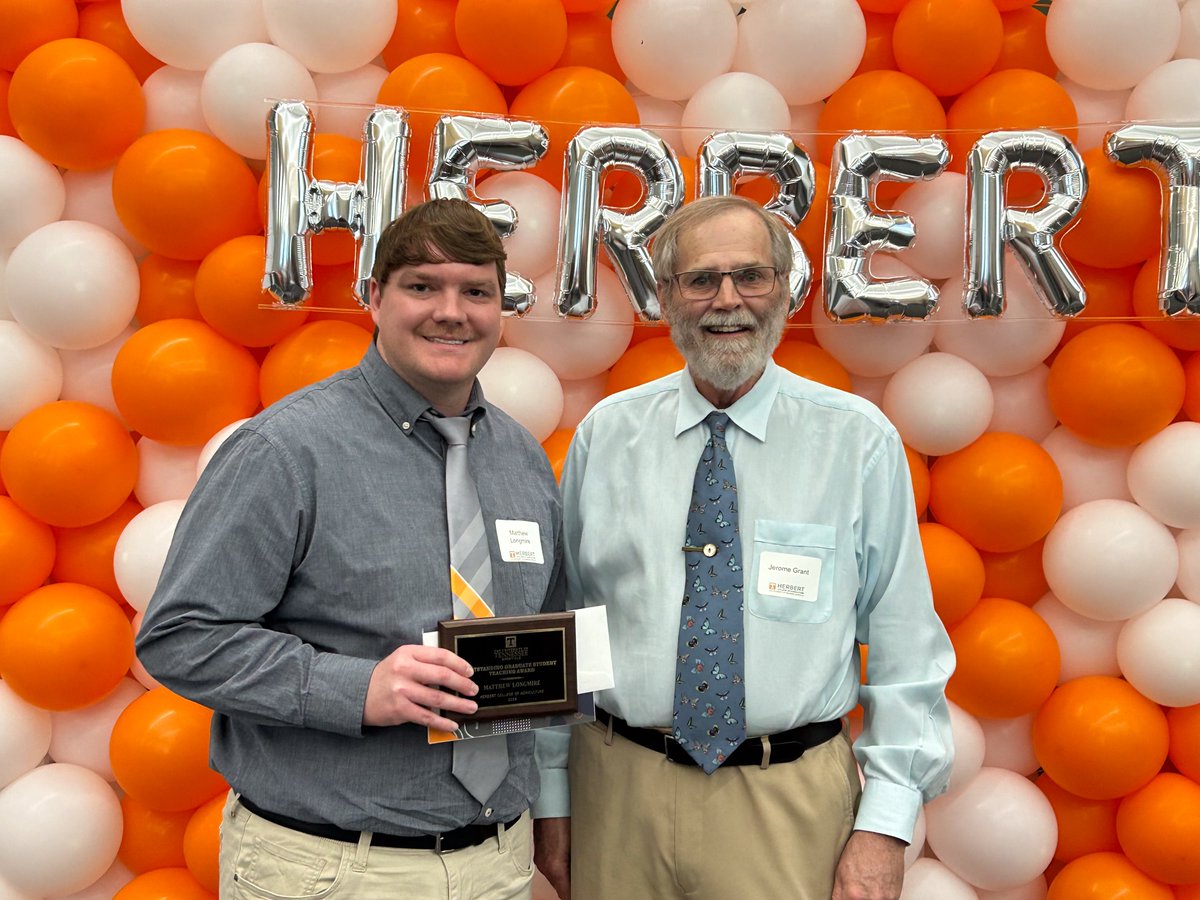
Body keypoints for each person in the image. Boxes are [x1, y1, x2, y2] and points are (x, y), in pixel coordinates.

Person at [137, 198, 565, 899]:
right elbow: (180, 637)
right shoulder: (284, 450)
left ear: (499, 309)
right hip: (330, 870)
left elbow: (544, 636)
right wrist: (357, 689)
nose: (451, 311)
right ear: (374, 297)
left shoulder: (520, 457)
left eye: (476, 291)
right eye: (422, 286)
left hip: (496, 864)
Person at [532, 195, 954, 900]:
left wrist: (884, 825)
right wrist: (551, 796)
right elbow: (566, 625)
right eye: (701, 279)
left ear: (784, 291)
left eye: (751, 276)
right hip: (616, 794)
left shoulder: (856, 441)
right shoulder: (608, 435)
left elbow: (906, 643)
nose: (727, 300)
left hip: (786, 800)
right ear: (665, 296)